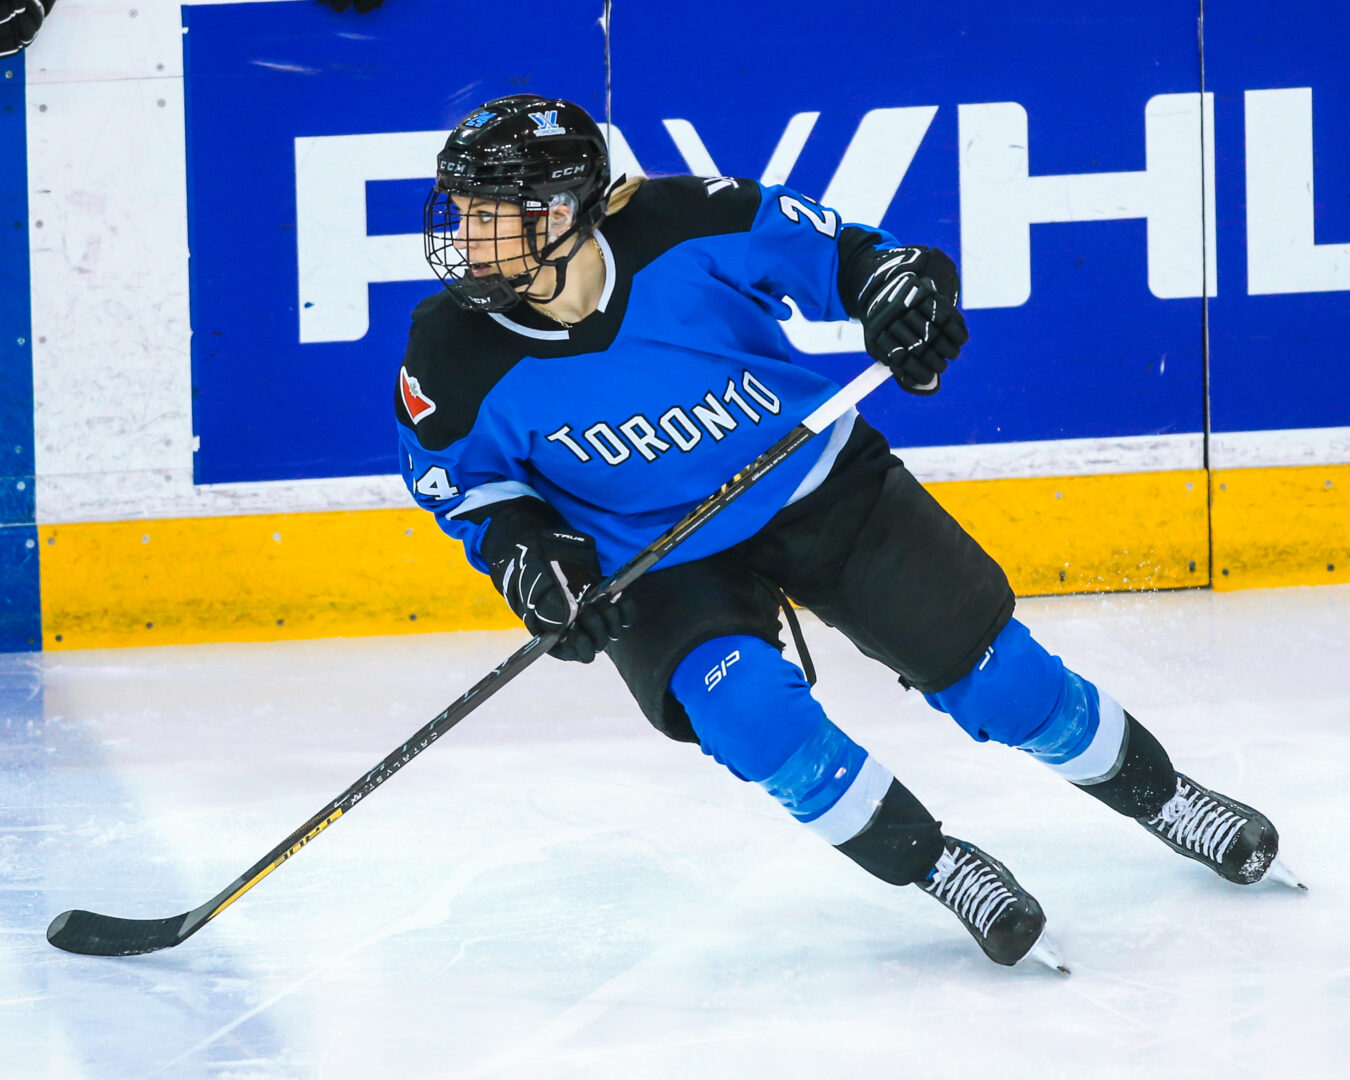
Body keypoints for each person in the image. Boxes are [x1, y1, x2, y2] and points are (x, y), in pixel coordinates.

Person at [395, 95, 1302, 972]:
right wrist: (522, 549)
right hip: (655, 559)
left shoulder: (687, 221)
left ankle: (1167, 798)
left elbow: (848, 258)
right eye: (463, 212)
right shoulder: (447, 350)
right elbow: (459, 486)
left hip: (819, 485)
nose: (467, 237)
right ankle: (940, 868)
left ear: (566, 212)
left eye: (493, 214)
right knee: (751, 719)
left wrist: (893, 293)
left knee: (1008, 686)